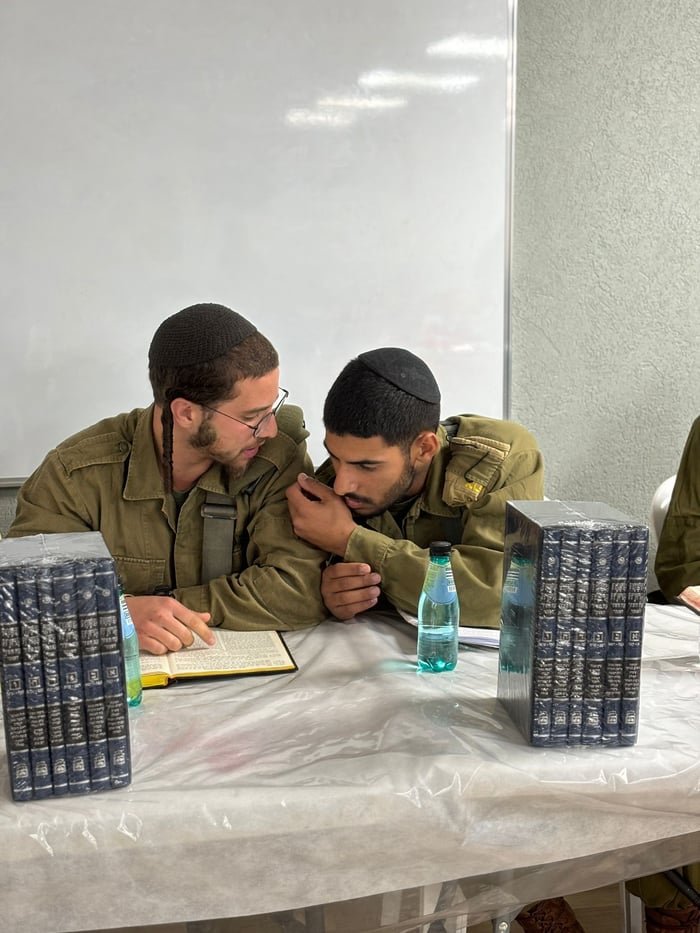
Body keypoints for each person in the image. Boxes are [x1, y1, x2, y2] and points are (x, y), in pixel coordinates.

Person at [8, 302, 328, 654]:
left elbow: (300, 590)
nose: (268, 430)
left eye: (273, 408)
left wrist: (160, 609)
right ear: (187, 413)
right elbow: (21, 599)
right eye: (253, 416)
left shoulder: (274, 456)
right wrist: (116, 616)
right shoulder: (75, 476)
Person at [285, 346, 544, 628]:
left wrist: (351, 541)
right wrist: (330, 594)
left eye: (367, 466)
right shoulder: (324, 491)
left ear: (424, 448)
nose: (343, 484)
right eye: (335, 457)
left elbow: (504, 596)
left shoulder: (502, 458)